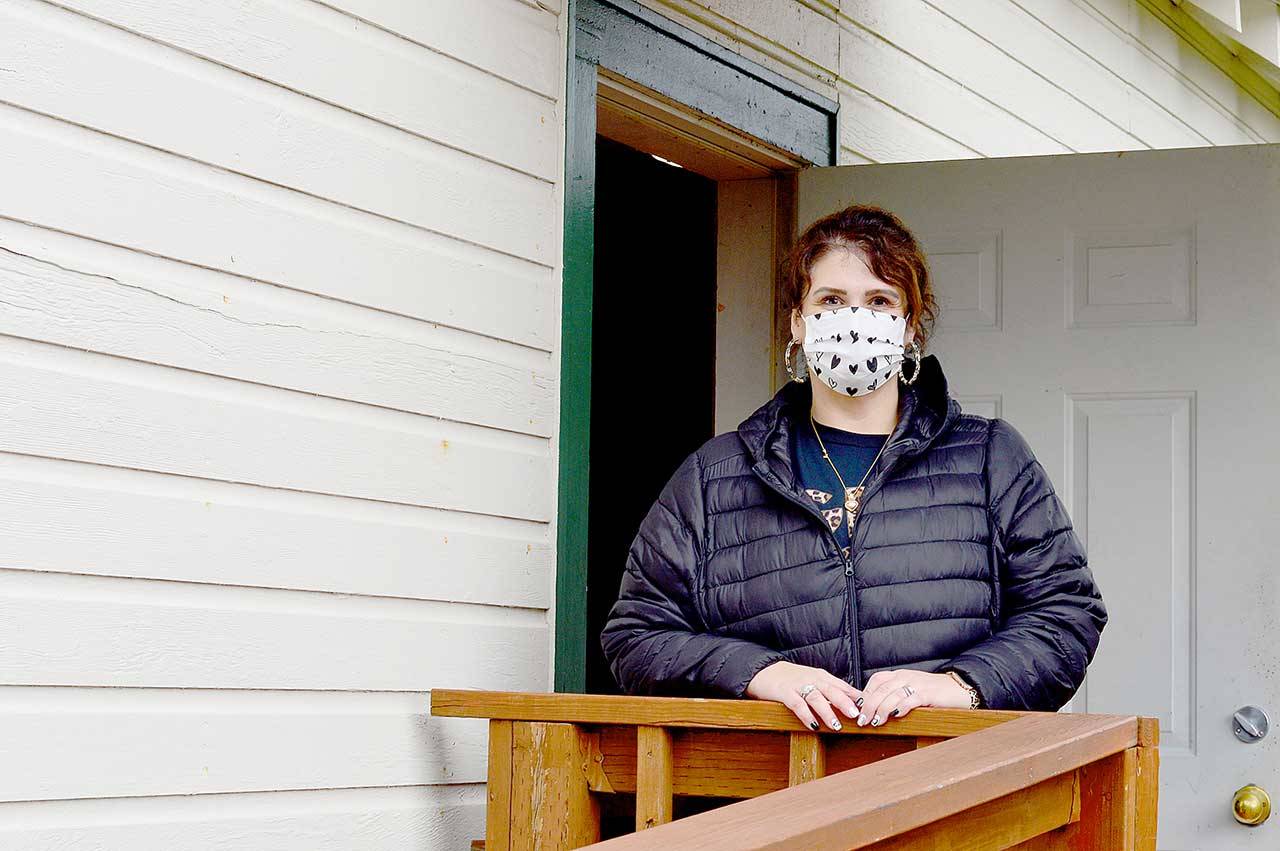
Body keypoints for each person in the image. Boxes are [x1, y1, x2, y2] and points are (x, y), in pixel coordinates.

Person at [599, 204, 1108, 732]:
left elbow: (1067, 613)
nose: (855, 320)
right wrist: (762, 674)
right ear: (798, 321)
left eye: (880, 301)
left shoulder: (988, 457)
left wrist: (963, 685)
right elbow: (636, 636)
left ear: (910, 327)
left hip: (949, 786)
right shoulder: (714, 476)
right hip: (773, 794)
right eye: (832, 300)